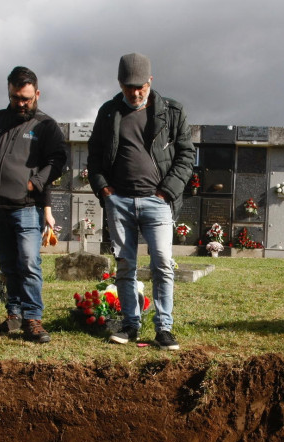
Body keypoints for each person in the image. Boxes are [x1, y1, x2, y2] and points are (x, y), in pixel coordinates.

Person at [87, 53, 195, 350]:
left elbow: (187, 156)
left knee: (162, 263)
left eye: (140, 87)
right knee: (125, 266)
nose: (134, 93)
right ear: (119, 83)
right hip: (118, 201)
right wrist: (104, 190)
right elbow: (94, 155)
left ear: (150, 81)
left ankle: (164, 328)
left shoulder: (172, 111)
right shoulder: (108, 112)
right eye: (128, 87)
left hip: (157, 202)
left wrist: (166, 192)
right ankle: (130, 325)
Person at [0, 66, 67, 343]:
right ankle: (13, 316)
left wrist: (34, 183)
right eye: (16, 97)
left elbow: (58, 160)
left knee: (28, 262)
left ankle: (33, 318)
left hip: (27, 207)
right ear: (9, 92)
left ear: (37, 93)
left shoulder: (45, 125)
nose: (22, 103)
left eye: (27, 98)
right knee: (9, 264)